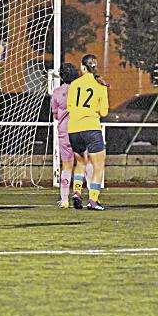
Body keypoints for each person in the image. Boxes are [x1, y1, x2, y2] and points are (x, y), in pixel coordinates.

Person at [66, 54, 109, 211]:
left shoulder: (74, 84)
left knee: (80, 163)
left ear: (83, 67)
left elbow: (70, 107)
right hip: (91, 127)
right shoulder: (100, 85)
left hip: (74, 129)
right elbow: (104, 112)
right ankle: (93, 200)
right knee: (98, 166)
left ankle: (77, 192)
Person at [50, 63, 81, 208]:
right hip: (79, 129)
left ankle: (64, 199)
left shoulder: (57, 92)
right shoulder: (79, 90)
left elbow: (55, 114)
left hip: (64, 131)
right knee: (82, 162)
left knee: (67, 165)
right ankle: (78, 193)